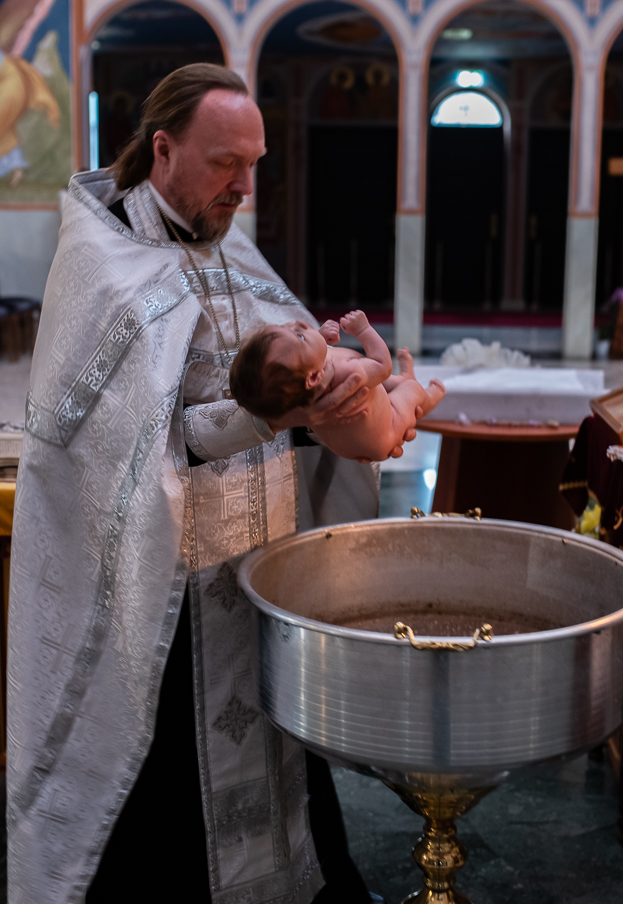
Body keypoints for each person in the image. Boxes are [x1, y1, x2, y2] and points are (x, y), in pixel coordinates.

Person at [7, 63, 415, 903]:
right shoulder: (103, 261)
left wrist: (338, 399)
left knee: (274, 751)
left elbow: (288, 360)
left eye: (254, 164)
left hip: (252, 571)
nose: (244, 186)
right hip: (164, 594)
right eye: (227, 162)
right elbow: (129, 444)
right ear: (163, 149)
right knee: (165, 810)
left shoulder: (226, 241)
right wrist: (271, 415)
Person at [230, 312, 445, 463]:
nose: (299, 323)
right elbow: (383, 366)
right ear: (314, 378)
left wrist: (319, 337)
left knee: (377, 383)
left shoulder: (305, 389)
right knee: (408, 390)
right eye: (300, 336)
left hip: (353, 445)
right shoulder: (347, 374)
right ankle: (426, 397)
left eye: (286, 326)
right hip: (389, 428)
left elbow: (312, 358)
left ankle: (404, 380)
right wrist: (364, 330)